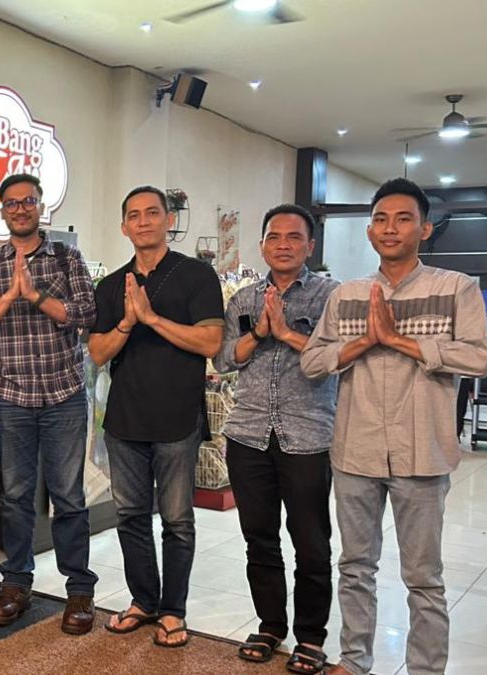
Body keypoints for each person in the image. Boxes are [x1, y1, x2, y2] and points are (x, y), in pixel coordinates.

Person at [301, 178, 487, 675]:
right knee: (355, 568)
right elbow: (313, 361)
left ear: (424, 229)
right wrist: (364, 342)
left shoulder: (456, 289)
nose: (391, 228)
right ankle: (355, 660)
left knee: (424, 578)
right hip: (355, 451)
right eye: (382, 219)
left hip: (421, 453)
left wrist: (400, 341)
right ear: (369, 231)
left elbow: (478, 359)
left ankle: (425, 669)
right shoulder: (347, 295)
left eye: (403, 218)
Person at [0, 173, 99, 636]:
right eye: (12, 203)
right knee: (16, 497)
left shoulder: (65, 258)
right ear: (1, 210)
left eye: (28, 202)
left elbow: (85, 313)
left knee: (69, 498)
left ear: (41, 207)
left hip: (63, 395)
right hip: (11, 397)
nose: (20, 209)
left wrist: (35, 294)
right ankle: (16, 583)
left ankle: (79, 589)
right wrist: (11, 295)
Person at [87, 185, 224, 648]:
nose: (143, 221)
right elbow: (99, 352)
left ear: (169, 220)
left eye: (152, 213)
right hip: (125, 419)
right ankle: (144, 602)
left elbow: (210, 343)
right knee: (129, 516)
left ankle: (173, 611)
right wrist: (127, 321)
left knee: (177, 520)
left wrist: (152, 320)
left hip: (176, 418)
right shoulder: (111, 286)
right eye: (134, 215)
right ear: (124, 227)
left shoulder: (195, 276)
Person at [212, 205, 339, 673]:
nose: (282, 244)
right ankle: (270, 625)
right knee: (258, 538)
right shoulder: (243, 298)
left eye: (293, 237)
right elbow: (226, 357)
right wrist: (259, 334)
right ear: (262, 245)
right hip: (248, 435)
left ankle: (311, 636)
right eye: (273, 236)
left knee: (311, 542)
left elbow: (340, 357)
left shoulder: (332, 296)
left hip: (307, 436)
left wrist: (285, 334)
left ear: (309, 245)